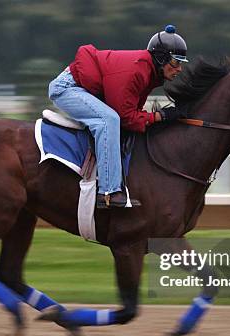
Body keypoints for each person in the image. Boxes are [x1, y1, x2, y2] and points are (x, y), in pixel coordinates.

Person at [48, 25, 189, 208]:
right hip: (66, 89)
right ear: (161, 58)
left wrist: (153, 117)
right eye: (176, 62)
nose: (179, 69)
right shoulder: (137, 70)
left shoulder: (148, 73)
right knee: (109, 120)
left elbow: (133, 112)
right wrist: (159, 116)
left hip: (83, 88)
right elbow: (125, 117)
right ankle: (107, 192)